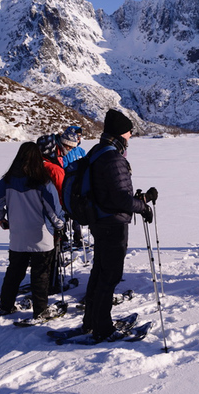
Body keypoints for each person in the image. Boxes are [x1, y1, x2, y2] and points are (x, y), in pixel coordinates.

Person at [80, 108, 157, 342]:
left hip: (99, 220)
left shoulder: (97, 151)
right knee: (110, 276)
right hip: (111, 224)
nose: (130, 135)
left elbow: (110, 192)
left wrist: (141, 199)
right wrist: (143, 207)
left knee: (99, 272)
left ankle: (91, 321)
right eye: (128, 131)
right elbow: (121, 199)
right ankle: (103, 328)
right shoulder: (113, 158)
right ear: (120, 133)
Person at [0, 142, 65, 321]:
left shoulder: (6, 181)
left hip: (18, 236)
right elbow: (54, 210)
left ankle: (6, 305)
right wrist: (60, 226)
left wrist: (1, 219)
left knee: (14, 272)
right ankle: (40, 310)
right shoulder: (43, 182)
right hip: (41, 236)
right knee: (40, 274)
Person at [59, 126, 87, 248]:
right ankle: (63, 238)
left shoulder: (81, 151)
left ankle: (78, 237)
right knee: (64, 213)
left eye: (80, 136)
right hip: (66, 185)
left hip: (79, 186)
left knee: (78, 211)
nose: (79, 138)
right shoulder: (65, 151)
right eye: (77, 136)